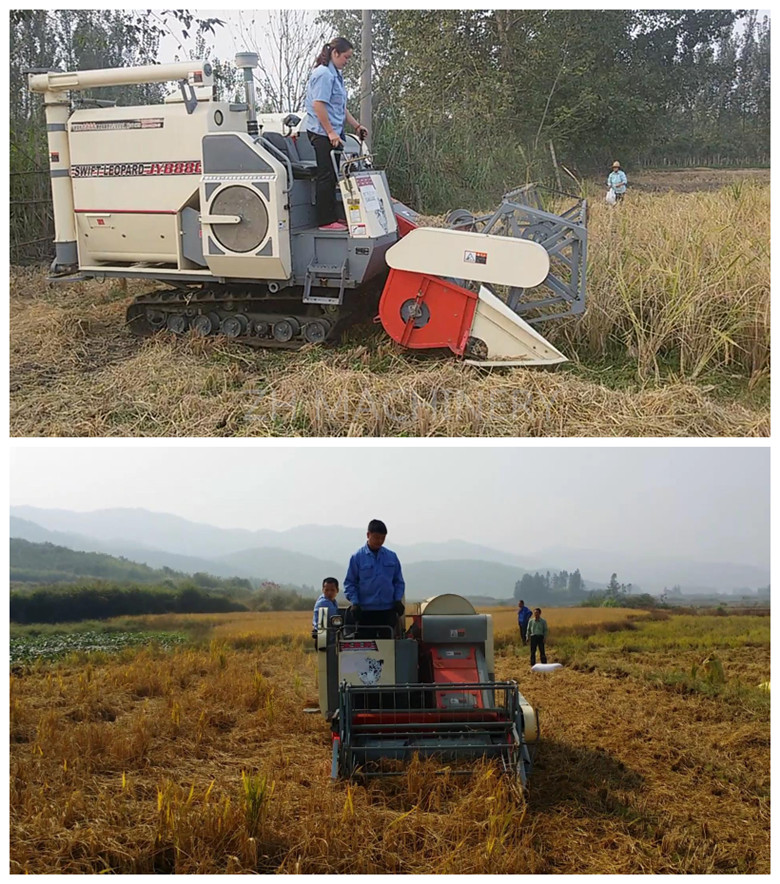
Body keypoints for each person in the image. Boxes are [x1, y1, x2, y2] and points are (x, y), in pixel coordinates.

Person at [303, 38, 368, 231]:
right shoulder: (323, 74)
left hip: (334, 134)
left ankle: (331, 217)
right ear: (335, 53)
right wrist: (330, 131)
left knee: (333, 176)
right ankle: (324, 221)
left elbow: (340, 106)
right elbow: (318, 104)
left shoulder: (336, 76)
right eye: (346, 57)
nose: (347, 61)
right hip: (322, 133)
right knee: (326, 176)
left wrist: (356, 126)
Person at [344, 519, 405, 637]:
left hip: (387, 611)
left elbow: (399, 582)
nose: (380, 541)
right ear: (368, 535)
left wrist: (398, 599)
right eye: (377, 537)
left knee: (388, 649)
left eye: (383, 538)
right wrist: (355, 603)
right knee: (367, 648)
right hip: (365, 612)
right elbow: (350, 583)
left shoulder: (391, 557)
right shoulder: (357, 557)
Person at [311, 577, 340, 643]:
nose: (329, 593)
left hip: (329, 637)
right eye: (326, 590)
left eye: (332, 590)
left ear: (337, 590)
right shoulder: (323, 603)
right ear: (323, 590)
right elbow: (335, 619)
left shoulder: (333, 602)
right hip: (324, 640)